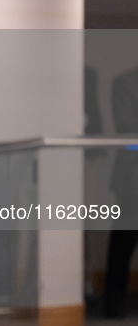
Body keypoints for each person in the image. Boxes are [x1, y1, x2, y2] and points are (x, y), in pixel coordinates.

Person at [104, 66, 138, 319]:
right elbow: (127, 125)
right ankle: (113, 302)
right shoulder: (126, 81)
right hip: (132, 177)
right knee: (124, 241)